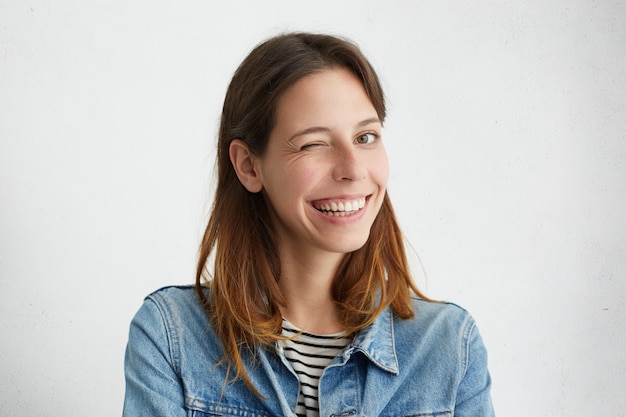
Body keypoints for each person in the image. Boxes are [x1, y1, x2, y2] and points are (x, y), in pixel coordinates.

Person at [123, 32, 495, 417]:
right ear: (249, 166)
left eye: (365, 137)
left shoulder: (451, 346)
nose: (353, 169)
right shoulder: (172, 336)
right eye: (313, 144)